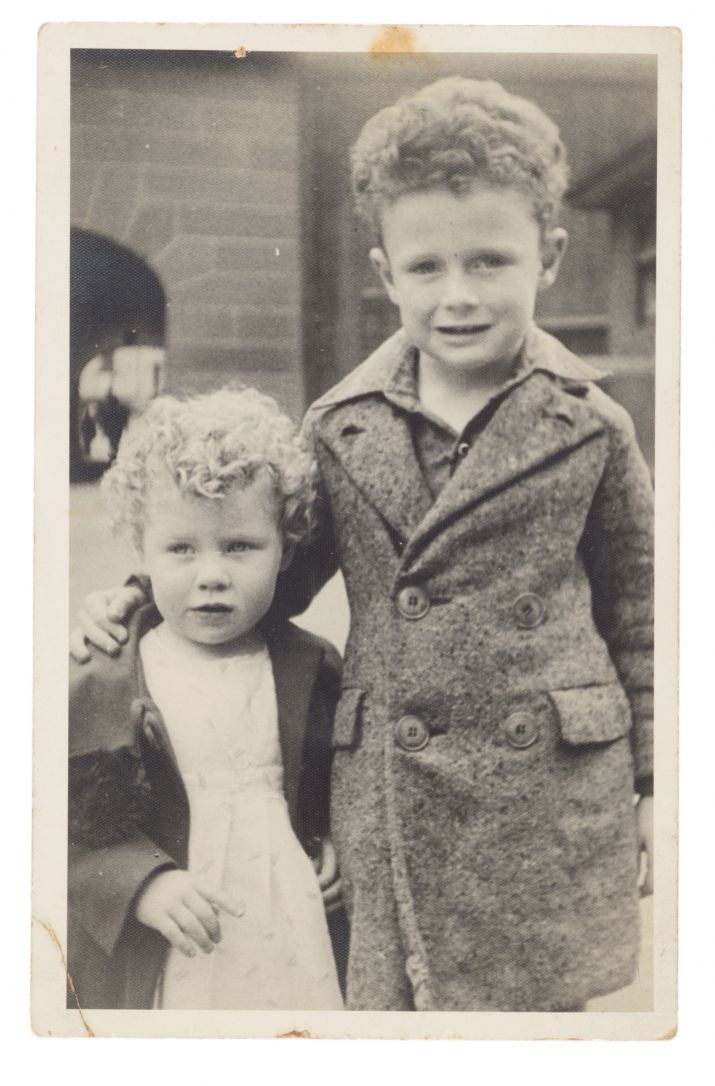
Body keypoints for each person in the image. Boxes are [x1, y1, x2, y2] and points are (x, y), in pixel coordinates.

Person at [72, 77, 654, 1012]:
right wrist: (140, 602)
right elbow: (270, 572)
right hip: (392, 787)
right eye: (426, 269)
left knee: (534, 1028)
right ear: (385, 272)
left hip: (546, 791)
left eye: (489, 262)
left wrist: (658, 785)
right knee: (393, 1020)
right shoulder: (342, 425)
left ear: (546, 258)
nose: (457, 296)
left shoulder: (589, 424)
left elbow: (643, 614)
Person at [68, 386, 344, 1010]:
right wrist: (138, 884)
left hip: (292, 932)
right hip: (168, 945)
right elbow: (52, 822)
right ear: (142, 550)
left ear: (287, 549)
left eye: (241, 546)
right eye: (181, 549)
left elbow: (341, 779)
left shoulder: (313, 666)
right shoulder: (105, 678)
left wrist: (337, 839)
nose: (211, 573)